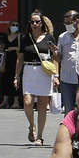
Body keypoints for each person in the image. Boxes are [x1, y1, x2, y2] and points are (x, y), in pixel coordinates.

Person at [17, 11, 58, 145]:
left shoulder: (49, 37)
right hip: (29, 70)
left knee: (42, 104)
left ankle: (40, 136)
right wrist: (16, 76)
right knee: (27, 102)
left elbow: (55, 58)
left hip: (44, 72)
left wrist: (56, 75)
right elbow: (20, 58)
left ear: (42, 23)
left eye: (37, 22)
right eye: (32, 22)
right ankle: (31, 125)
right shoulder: (25, 38)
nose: (35, 24)